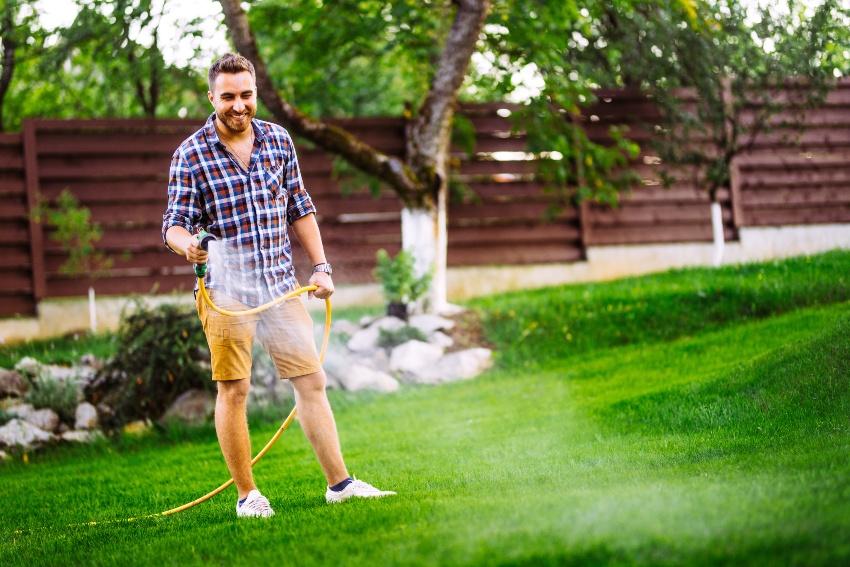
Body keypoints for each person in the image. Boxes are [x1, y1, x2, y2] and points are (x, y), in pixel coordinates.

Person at [162, 53, 395, 518]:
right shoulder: (191, 153)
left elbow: (300, 208)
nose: (238, 105)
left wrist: (322, 266)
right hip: (226, 294)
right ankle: (248, 496)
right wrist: (187, 245)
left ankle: (340, 485)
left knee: (312, 381)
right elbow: (174, 223)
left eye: (246, 95)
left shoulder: (278, 141)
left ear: (255, 94)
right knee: (235, 389)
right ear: (212, 98)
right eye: (227, 96)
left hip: (280, 287)